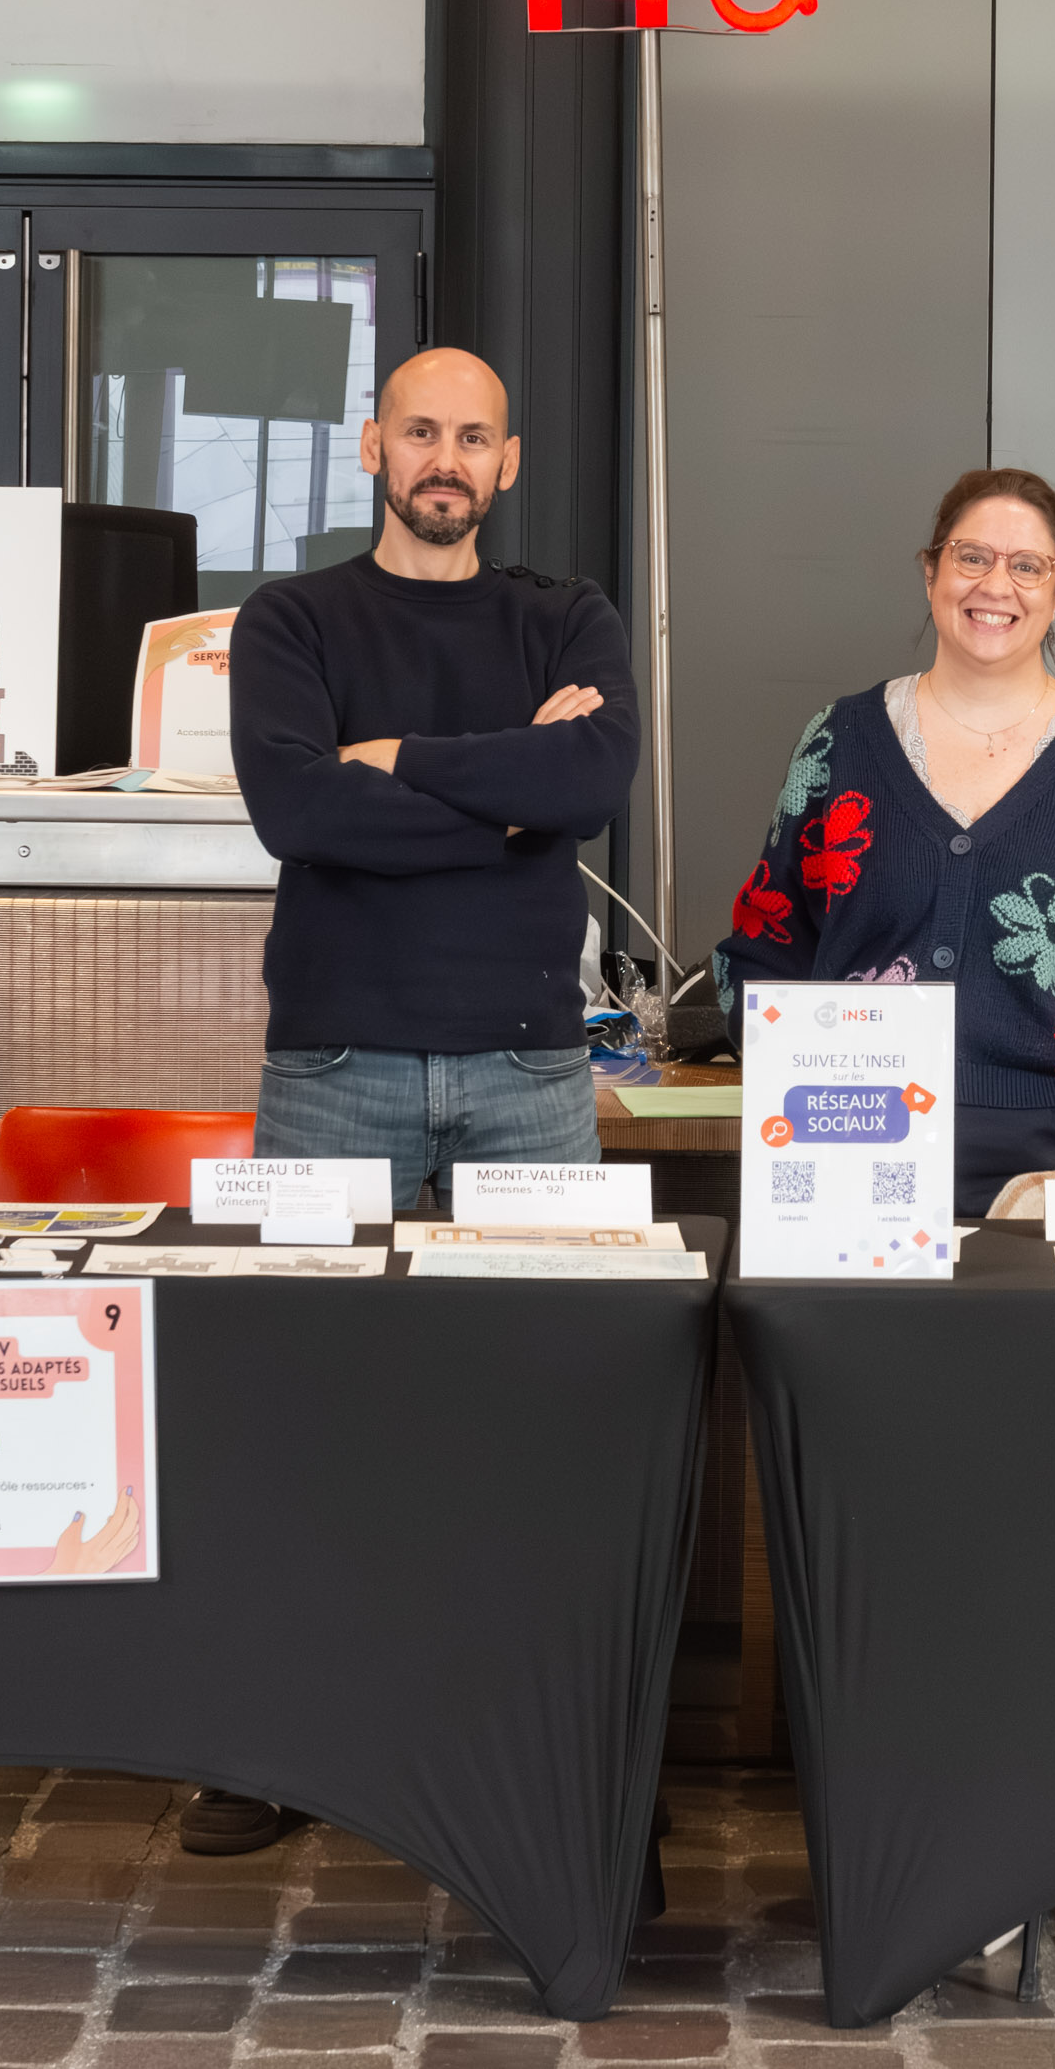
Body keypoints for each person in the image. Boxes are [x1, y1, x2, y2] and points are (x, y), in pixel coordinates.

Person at [211, 346, 637, 1853]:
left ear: (506, 462)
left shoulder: (564, 614)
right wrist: (502, 796)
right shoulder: (293, 618)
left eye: (472, 436)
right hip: (335, 1068)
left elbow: (591, 784)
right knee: (306, 1407)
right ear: (371, 443)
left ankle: (534, 1728)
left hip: (531, 1071)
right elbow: (296, 806)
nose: (444, 457)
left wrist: (403, 764)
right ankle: (275, 1746)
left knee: (548, 1405)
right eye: (419, 432)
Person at [714, 469, 1055, 1219]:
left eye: (1028, 566)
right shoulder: (841, 740)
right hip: (857, 1140)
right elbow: (768, 930)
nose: (998, 585)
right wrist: (790, 1063)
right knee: (860, 1342)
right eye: (972, 557)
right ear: (931, 571)